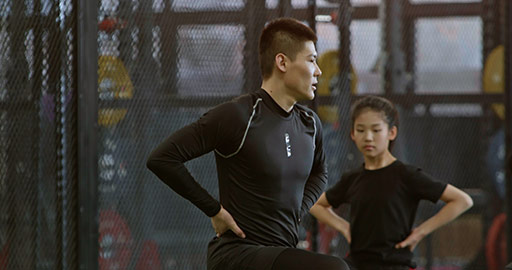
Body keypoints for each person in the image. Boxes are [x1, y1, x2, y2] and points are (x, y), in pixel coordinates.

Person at [147, 17, 348, 270]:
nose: (318, 70)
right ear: (282, 62)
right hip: (237, 255)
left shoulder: (310, 123)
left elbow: (321, 172)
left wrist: (298, 208)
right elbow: (162, 158)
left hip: (281, 253)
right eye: (311, 60)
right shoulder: (238, 115)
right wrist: (214, 210)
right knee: (334, 268)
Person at [310, 95, 474, 270]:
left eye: (376, 130)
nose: (368, 137)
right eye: (361, 130)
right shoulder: (352, 179)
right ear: (352, 134)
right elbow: (315, 205)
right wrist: (344, 227)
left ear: (391, 132)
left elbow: (463, 200)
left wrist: (420, 232)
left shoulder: (407, 175)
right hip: (358, 264)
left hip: (396, 264)